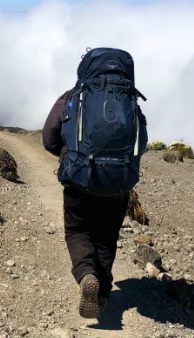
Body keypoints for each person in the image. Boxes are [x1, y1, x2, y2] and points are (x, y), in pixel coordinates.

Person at [42, 47, 146, 319]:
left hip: (79, 178)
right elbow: (141, 142)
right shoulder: (129, 99)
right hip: (118, 182)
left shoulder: (72, 97)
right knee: (107, 237)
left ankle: (86, 273)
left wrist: (68, 155)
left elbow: (49, 138)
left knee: (78, 230)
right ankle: (102, 295)